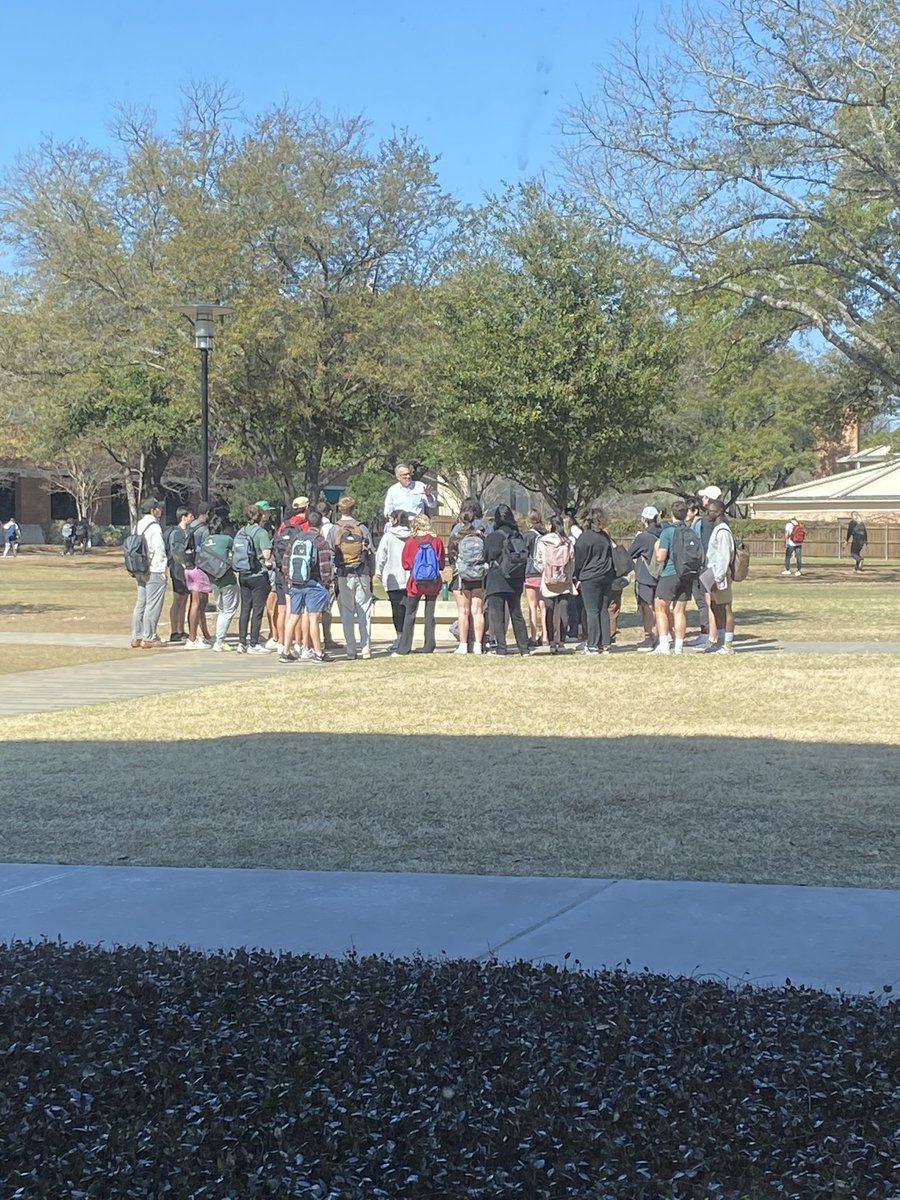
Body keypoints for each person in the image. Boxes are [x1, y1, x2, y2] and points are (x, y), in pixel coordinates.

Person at [280, 508, 334, 664]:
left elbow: (286, 560)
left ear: (308, 522)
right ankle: (318, 653)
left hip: (296, 583)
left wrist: (289, 578)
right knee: (313, 618)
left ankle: (285, 651)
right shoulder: (319, 541)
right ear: (321, 524)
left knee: (293, 617)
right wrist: (326, 582)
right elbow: (325, 564)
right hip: (313, 583)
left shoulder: (297, 538)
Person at [651, 499, 704, 655]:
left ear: (672, 514)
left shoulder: (668, 532)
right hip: (687, 574)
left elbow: (661, 557)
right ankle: (679, 647)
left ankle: (664, 645)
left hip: (670, 573)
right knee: (679, 611)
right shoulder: (691, 531)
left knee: (660, 607)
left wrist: (656, 548)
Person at [330, 495, 375, 659]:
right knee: (364, 610)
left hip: (343, 574)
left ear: (339, 510)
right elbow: (371, 553)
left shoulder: (334, 530)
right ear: (353, 509)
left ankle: (351, 649)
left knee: (347, 611)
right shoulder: (362, 528)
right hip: (362, 572)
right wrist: (371, 573)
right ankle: (366, 648)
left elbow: (330, 554)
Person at [394, 513, 445, 656]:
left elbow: (405, 564)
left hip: (415, 582)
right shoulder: (437, 541)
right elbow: (441, 564)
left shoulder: (411, 542)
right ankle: (429, 644)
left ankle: (404, 646)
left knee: (410, 613)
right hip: (433, 582)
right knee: (430, 614)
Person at [484, 504, 530, 656]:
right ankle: (524, 648)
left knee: (497, 614)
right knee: (516, 613)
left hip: (496, 578)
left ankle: (501, 648)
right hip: (515, 578)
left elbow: (485, 556)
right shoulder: (518, 535)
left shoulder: (492, 537)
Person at [572, 508, 617, 654]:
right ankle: (605, 643)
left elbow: (578, 560)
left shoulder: (585, 538)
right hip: (606, 575)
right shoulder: (605, 537)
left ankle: (592, 644)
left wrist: (577, 576)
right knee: (603, 610)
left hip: (590, 577)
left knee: (592, 610)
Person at [447, 505, 487, 656]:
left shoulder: (456, 537)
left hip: (461, 576)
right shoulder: (481, 536)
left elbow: (451, 557)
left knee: (463, 612)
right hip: (478, 576)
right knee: (477, 611)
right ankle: (478, 644)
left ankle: (463, 644)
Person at [533, 515, 576, 654]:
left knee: (549, 611)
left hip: (548, 581)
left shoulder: (543, 541)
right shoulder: (567, 542)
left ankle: (551, 641)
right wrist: (569, 575)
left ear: (550, 526)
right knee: (564, 611)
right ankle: (562, 640)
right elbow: (572, 561)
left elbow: (537, 561)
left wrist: (545, 571)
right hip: (564, 581)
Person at [234, 504, 273, 653]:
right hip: (258, 574)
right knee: (257, 610)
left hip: (243, 574)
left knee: (245, 609)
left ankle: (241, 642)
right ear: (260, 516)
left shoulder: (241, 532)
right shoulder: (261, 532)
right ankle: (254, 643)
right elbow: (267, 554)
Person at [130, 498, 168, 649]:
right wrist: (163, 570)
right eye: (158, 508)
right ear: (153, 510)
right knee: (153, 604)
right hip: (154, 569)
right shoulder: (154, 526)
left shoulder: (138, 525)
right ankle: (149, 637)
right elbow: (159, 549)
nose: (160, 510)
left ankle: (137, 636)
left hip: (139, 568)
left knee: (141, 603)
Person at [374, 509, 412, 654]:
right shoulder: (412, 536)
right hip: (409, 577)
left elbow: (381, 556)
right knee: (408, 609)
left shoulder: (388, 537)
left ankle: (400, 636)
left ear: (395, 520)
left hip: (392, 578)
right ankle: (407, 638)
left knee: (396, 610)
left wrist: (378, 572)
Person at [689, 486, 722, 648]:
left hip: (708, 567)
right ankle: (715, 634)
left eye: (704, 497)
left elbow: (704, 546)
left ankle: (710, 635)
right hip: (715, 567)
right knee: (715, 603)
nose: (702, 500)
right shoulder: (720, 521)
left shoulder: (707, 522)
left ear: (708, 499)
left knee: (708, 602)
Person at [703, 498, 736, 654]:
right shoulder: (716, 529)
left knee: (726, 608)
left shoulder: (723, 531)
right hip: (713, 574)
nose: (707, 513)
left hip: (720, 575)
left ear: (718, 512)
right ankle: (720, 640)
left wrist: (719, 577)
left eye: (709, 511)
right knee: (715, 607)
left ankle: (728, 645)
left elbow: (723, 557)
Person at [201, 515, 239, 652]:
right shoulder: (226, 539)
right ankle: (219, 640)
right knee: (228, 610)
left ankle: (219, 639)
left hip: (213, 580)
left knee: (221, 609)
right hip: (227, 579)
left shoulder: (205, 542)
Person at [628, 506, 662, 652]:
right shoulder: (663, 532)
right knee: (660, 607)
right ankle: (662, 635)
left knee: (646, 607)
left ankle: (650, 636)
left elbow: (630, 554)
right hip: (662, 575)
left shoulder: (643, 537)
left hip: (646, 576)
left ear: (644, 519)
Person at [183, 501, 214, 647]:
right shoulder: (204, 529)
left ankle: (205, 634)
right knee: (197, 603)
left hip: (188, 566)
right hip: (199, 567)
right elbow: (206, 550)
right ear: (207, 513)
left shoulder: (191, 526)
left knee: (200, 603)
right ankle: (192, 638)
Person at [164, 507, 193, 644]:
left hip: (187, 570)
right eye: (189, 516)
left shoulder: (187, 532)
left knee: (185, 600)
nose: (191, 518)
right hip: (177, 570)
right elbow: (176, 553)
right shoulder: (176, 533)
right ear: (183, 517)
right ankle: (174, 630)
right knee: (178, 600)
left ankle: (181, 630)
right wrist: (183, 565)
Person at [523, 510, 546, 646]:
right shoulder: (545, 535)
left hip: (530, 571)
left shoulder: (527, 536)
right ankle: (545, 635)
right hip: (543, 572)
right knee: (542, 605)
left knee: (532, 605)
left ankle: (533, 635)